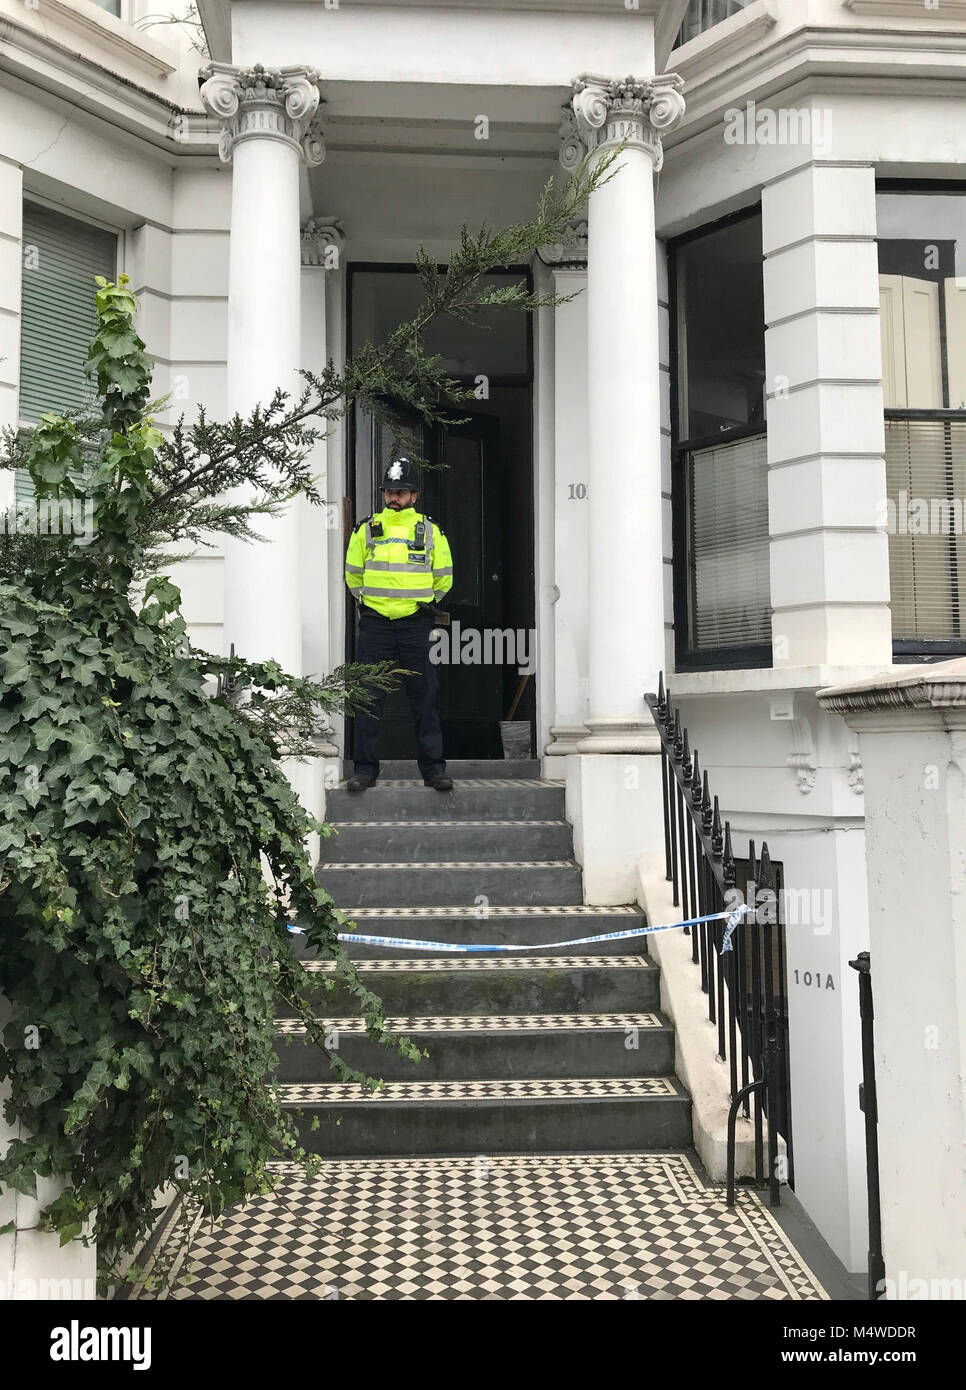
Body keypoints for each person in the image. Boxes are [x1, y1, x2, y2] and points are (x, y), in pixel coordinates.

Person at [344, 456, 454, 791]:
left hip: (415, 626)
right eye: (390, 491)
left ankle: (433, 771)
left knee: (425, 699)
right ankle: (364, 771)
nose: (395, 497)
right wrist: (371, 604)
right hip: (376, 624)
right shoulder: (366, 529)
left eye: (402, 492)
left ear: (414, 496)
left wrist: (422, 606)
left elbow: (444, 577)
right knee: (368, 699)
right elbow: (353, 575)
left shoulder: (430, 530)